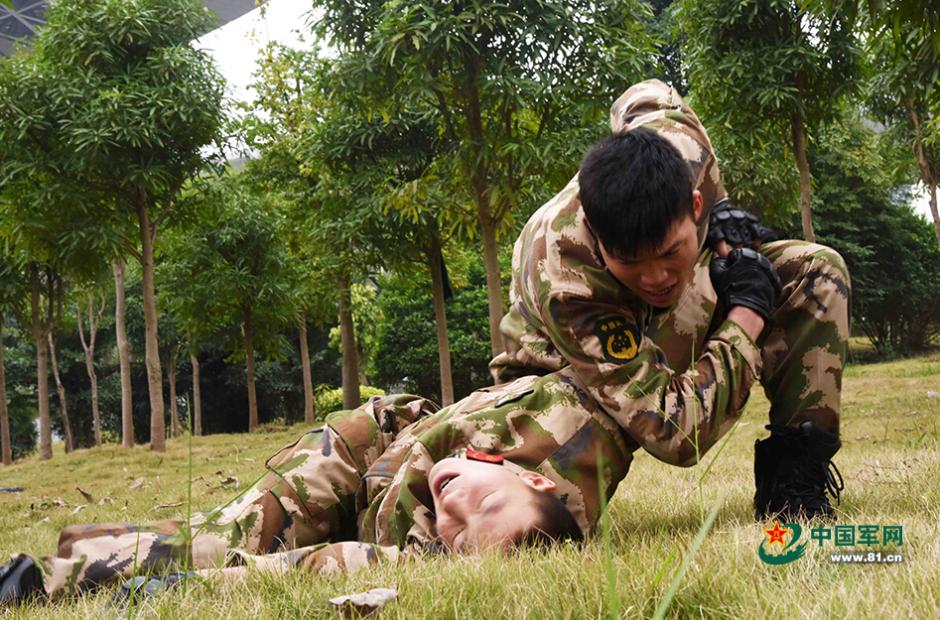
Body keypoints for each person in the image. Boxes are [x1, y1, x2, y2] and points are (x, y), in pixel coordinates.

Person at [490, 79, 848, 522]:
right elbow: (676, 432)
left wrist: (720, 211)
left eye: (669, 252)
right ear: (600, 244)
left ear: (693, 203)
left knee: (816, 271)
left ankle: (795, 486)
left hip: (661, 312)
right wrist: (747, 313)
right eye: (631, 263)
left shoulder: (683, 146)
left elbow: (642, 93)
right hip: (562, 377)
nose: (656, 277)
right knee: (531, 516)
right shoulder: (567, 275)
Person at [1, 371, 629, 605]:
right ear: (523, 473)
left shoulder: (483, 538)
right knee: (246, 531)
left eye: (460, 533)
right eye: (483, 501)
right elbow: (424, 445)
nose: (456, 506)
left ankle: (79, 565)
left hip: (383, 518)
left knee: (337, 560)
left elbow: (331, 566)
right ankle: (63, 569)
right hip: (371, 453)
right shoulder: (551, 431)